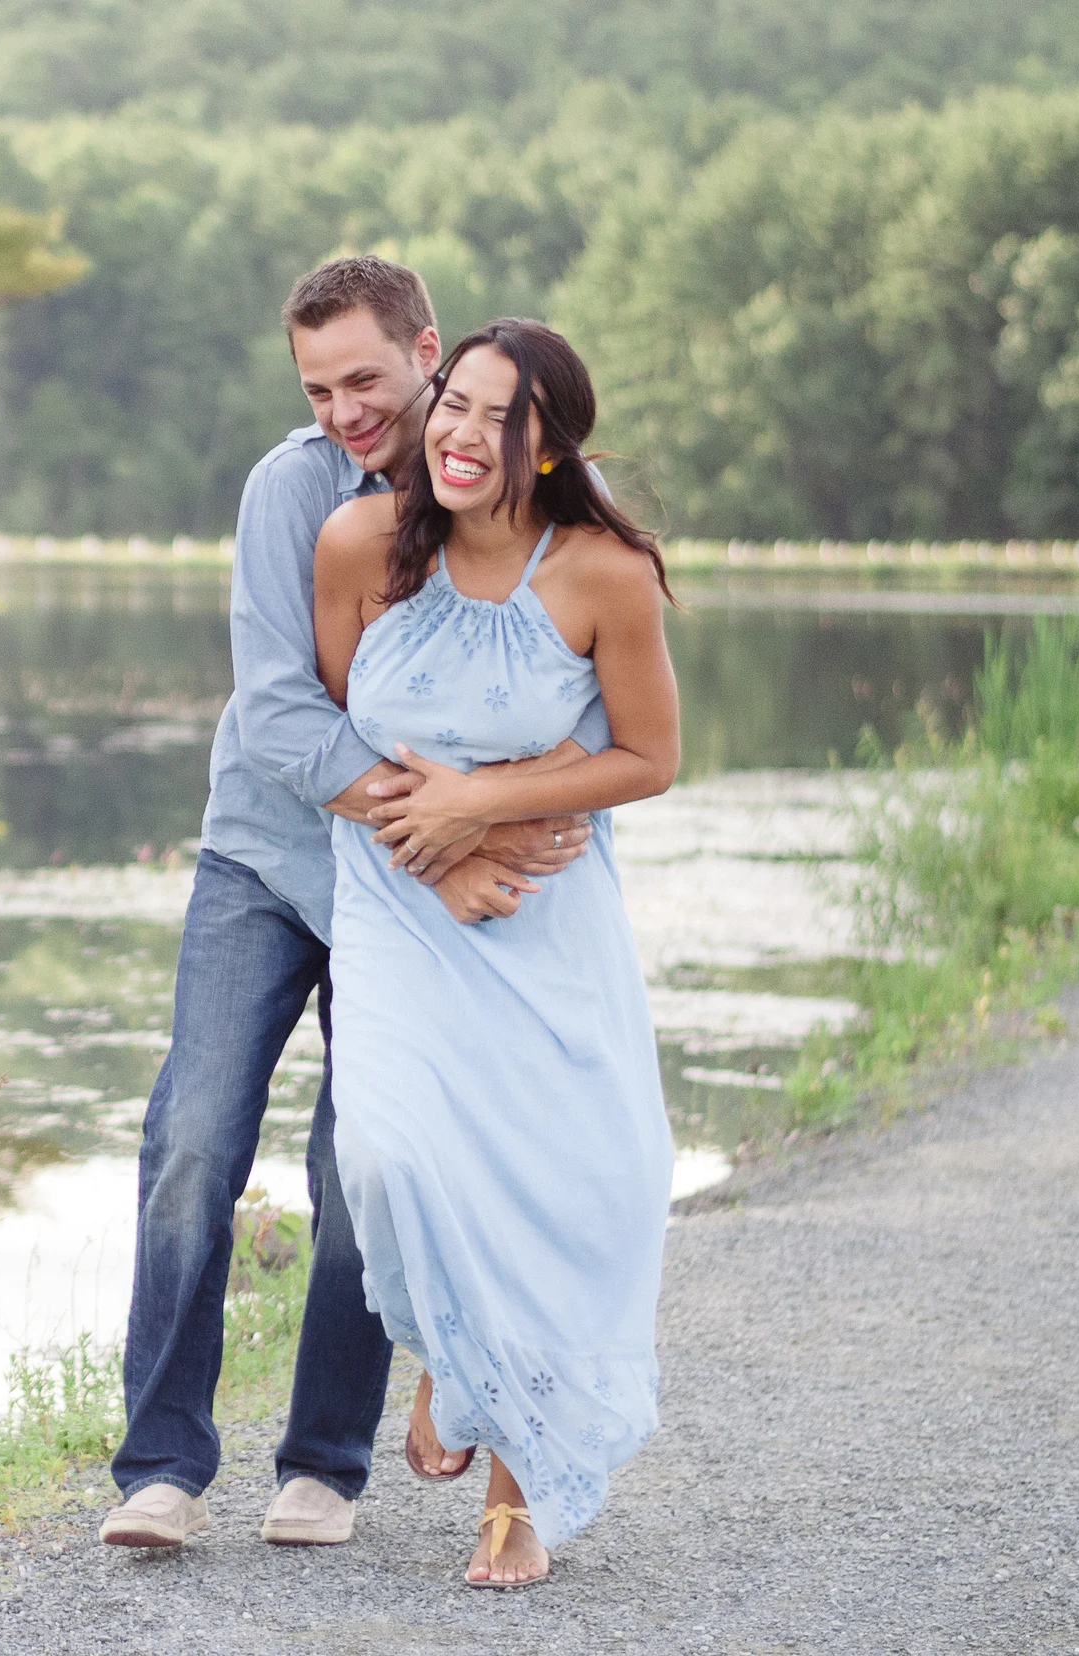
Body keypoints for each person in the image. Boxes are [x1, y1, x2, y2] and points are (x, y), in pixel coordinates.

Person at [101, 260, 599, 1551]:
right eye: (317, 389)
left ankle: (323, 1462)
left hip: (401, 897)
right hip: (266, 864)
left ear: (428, 351)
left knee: (360, 1165)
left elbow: (558, 694)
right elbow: (278, 713)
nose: (343, 412)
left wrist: (498, 815)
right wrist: (443, 835)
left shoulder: (507, 496)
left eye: (364, 380)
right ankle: (161, 1467)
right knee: (193, 1143)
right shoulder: (292, 491)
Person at [311, 317, 680, 1587]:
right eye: (453, 405)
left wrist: (487, 799)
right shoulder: (359, 545)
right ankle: (452, 1354)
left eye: (499, 416)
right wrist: (443, 830)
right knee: (388, 1155)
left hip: (544, 918)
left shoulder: (602, 575)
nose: (462, 434)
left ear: (550, 445)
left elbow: (650, 756)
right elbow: (340, 747)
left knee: (560, 1187)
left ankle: (516, 1501)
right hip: (396, 909)